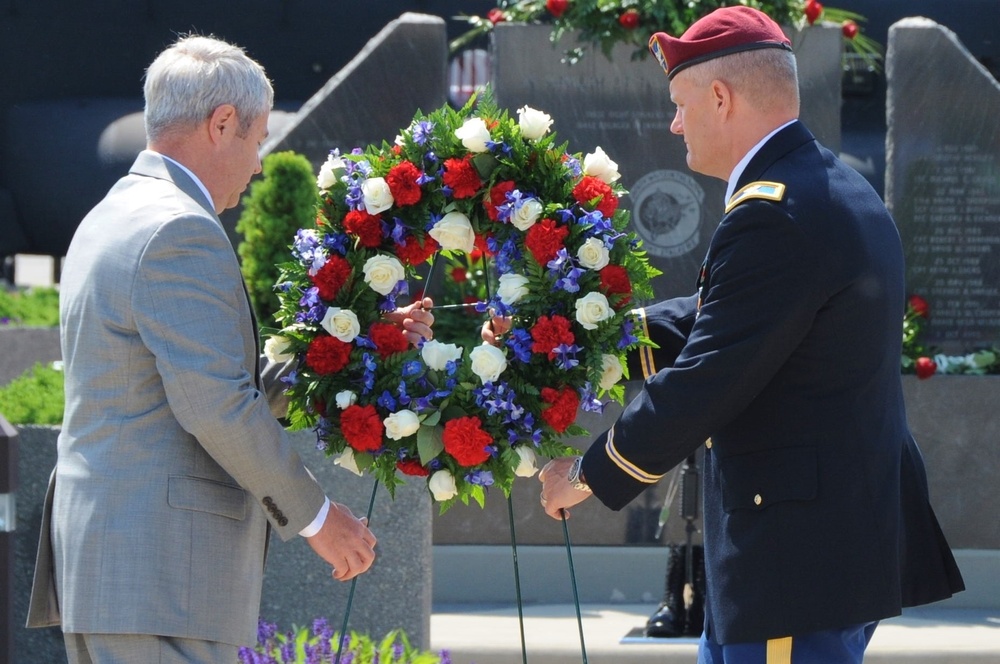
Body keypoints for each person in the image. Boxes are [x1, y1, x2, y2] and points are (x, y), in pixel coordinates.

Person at [535, 7, 965, 663]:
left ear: (719, 96)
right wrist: (569, 340)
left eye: (680, 104)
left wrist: (588, 474)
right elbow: (727, 319)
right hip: (824, 544)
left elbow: (710, 375)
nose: (674, 123)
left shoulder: (775, 213)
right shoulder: (825, 184)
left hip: (795, 558)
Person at [24, 34, 434, 663]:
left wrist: (369, 347)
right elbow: (216, 404)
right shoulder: (178, 227)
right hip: (160, 575)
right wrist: (319, 518)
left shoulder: (114, 212)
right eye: (258, 137)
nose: (261, 163)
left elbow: (213, 380)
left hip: (130, 574)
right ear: (221, 123)